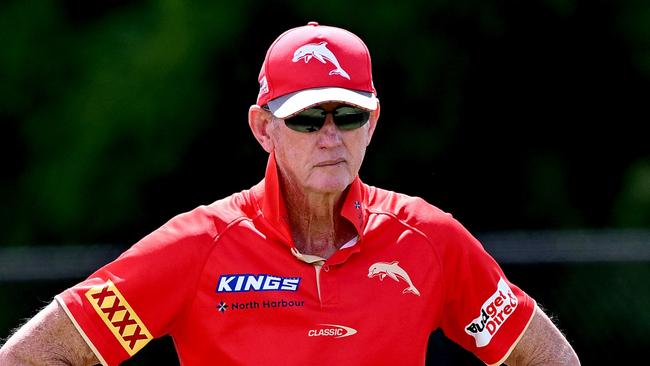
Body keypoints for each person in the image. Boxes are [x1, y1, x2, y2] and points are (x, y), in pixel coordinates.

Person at [0, 22, 579, 366]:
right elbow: (32, 357)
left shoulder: (429, 240)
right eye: (306, 119)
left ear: (373, 124)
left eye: (348, 115)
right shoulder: (198, 246)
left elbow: (548, 358)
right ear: (262, 128)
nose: (331, 136)